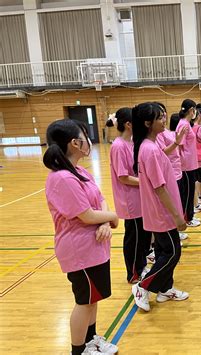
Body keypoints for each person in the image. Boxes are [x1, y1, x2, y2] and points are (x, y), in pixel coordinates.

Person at [43, 119, 119, 355]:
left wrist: (105, 220)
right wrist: (113, 216)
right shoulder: (62, 178)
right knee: (84, 301)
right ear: (75, 143)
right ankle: (78, 351)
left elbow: (100, 200)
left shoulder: (80, 171)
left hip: (94, 246)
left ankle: (90, 340)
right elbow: (86, 215)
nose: (89, 140)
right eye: (85, 136)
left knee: (92, 298)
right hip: (80, 250)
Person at [131, 102, 189, 312]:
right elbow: (159, 188)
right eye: (160, 118)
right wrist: (177, 216)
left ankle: (165, 289)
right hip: (162, 212)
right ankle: (143, 286)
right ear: (148, 123)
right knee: (172, 253)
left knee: (165, 250)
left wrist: (177, 143)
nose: (164, 120)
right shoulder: (149, 150)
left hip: (161, 211)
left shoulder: (151, 146)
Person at [108, 108, 152, 283]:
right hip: (129, 199)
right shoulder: (118, 146)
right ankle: (133, 273)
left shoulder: (133, 143)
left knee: (143, 236)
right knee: (133, 238)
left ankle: (140, 266)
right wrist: (145, 182)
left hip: (139, 197)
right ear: (128, 124)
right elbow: (123, 177)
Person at [155, 103, 190, 241]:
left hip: (176, 170)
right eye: (160, 116)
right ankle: (172, 231)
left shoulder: (166, 131)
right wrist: (176, 143)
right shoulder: (156, 136)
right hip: (170, 174)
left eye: (164, 114)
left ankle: (175, 230)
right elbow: (162, 152)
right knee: (171, 205)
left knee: (177, 201)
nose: (164, 118)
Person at [176, 99, 201, 227]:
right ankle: (187, 218)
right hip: (186, 165)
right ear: (191, 110)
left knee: (191, 191)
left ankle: (190, 215)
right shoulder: (184, 125)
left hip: (190, 163)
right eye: (194, 110)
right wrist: (181, 163)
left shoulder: (185, 123)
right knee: (187, 193)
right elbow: (179, 145)